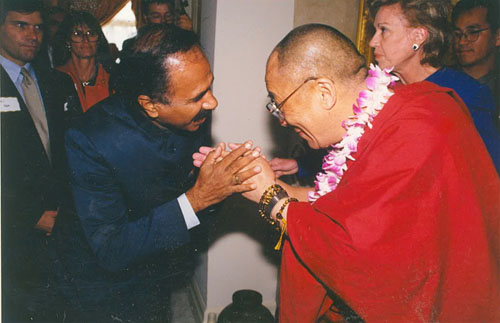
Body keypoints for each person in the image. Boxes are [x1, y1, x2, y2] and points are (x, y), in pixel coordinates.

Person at [196, 23, 500, 321]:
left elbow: (362, 260)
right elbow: (339, 206)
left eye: (278, 104)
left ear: (324, 93)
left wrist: (272, 197)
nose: (282, 121)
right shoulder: (378, 122)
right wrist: (260, 181)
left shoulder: (418, 129)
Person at [53, 24, 262, 322]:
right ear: (150, 106)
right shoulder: (89, 140)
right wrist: (198, 198)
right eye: (197, 97)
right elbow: (111, 248)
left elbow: (189, 203)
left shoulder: (193, 117)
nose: (212, 103)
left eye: (210, 87)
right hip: (100, 287)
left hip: (156, 271)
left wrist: (220, 183)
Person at [0, 0, 79, 321]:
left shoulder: (55, 81)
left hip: (62, 217)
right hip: (13, 225)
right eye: (21, 25)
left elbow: (70, 151)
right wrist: (32, 215)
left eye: (38, 27)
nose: (32, 35)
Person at [369, 0, 500, 174]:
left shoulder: (466, 93)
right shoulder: (378, 90)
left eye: (383, 30)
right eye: (375, 31)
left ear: (418, 36)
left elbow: (487, 174)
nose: (373, 42)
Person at [53, 11, 114, 113]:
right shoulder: (55, 78)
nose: (85, 40)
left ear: (98, 40)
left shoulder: (113, 77)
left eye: (91, 34)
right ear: (67, 41)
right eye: (77, 34)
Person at [452, 0, 499, 117]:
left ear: (497, 37)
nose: (462, 41)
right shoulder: (443, 84)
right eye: (457, 34)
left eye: (473, 32)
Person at [121, 0, 192, 56]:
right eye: (156, 16)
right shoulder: (130, 45)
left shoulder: (179, 41)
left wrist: (187, 34)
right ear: (145, 18)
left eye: (168, 15)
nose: (163, 20)